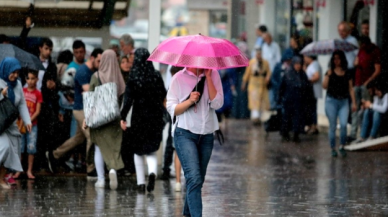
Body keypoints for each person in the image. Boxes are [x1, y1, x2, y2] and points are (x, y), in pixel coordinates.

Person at [167, 65, 223, 217]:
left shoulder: (214, 75)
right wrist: (190, 101)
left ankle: (187, 212)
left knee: (198, 179)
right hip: (184, 133)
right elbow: (172, 109)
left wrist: (209, 78)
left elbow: (217, 104)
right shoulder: (178, 77)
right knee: (194, 177)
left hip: (206, 135)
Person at [46, 48, 103, 177]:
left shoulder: (93, 71)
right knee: (92, 137)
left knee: (78, 138)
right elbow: (88, 92)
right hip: (81, 110)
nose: (101, 64)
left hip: (86, 109)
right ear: (92, 58)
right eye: (99, 61)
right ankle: (90, 168)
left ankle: (55, 154)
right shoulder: (83, 71)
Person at [120, 48, 166, 193]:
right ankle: (152, 173)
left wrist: (122, 117)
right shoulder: (156, 75)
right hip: (155, 118)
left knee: (138, 151)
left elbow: (127, 100)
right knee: (151, 150)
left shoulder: (134, 77)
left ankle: (140, 183)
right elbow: (163, 94)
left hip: (139, 118)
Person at [86, 50, 125, 190]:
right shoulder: (118, 77)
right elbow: (123, 97)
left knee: (98, 147)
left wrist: (88, 117)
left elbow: (90, 98)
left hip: (99, 117)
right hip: (114, 118)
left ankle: (101, 179)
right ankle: (113, 170)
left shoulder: (96, 76)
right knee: (114, 148)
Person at [0, 57, 32, 189]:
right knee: (4, 148)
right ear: (5, 70)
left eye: (17, 72)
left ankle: (1, 179)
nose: (15, 75)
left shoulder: (18, 84)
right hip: (0, 124)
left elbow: (22, 104)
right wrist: (1, 95)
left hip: (10, 123)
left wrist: (27, 120)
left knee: (11, 152)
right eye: (12, 72)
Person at [323, 50, 357, 157]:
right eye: (334, 58)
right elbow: (324, 86)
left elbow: (351, 89)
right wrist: (328, 76)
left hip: (343, 101)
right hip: (331, 101)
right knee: (332, 125)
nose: (336, 61)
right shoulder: (330, 72)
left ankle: (342, 145)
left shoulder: (347, 73)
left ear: (342, 59)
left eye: (338, 58)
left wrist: (354, 102)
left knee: (343, 124)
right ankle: (333, 148)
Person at [349, 36, 381, 142]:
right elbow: (355, 62)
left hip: (366, 84)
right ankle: (354, 133)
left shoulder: (374, 51)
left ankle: (365, 134)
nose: (361, 47)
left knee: (365, 109)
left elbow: (377, 70)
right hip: (357, 82)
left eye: (362, 45)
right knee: (355, 108)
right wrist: (356, 63)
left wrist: (369, 82)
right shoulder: (361, 50)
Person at [13, 70, 42, 179]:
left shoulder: (38, 93)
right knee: (20, 148)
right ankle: (18, 170)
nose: (30, 81)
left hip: (32, 125)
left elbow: (38, 111)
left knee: (31, 147)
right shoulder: (22, 91)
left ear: (37, 79)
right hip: (20, 124)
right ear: (25, 79)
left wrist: (28, 121)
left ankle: (29, 170)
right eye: (28, 78)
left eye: (33, 78)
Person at [278, 56, 312, 143]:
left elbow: (307, 86)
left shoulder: (302, 74)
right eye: (296, 64)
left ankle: (296, 134)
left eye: (299, 64)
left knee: (298, 117)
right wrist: (280, 98)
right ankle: (285, 134)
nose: (298, 66)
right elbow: (282, 87)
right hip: (289, 100)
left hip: (299, 100)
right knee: (287, 117)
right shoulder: (288, 73)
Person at [242, 48, 271, 125]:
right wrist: (244, 83)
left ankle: (262, 118)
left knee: (263, 102)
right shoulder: (251, 62)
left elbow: (268, 72)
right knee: (254, 102)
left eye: (260, 54)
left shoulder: (265, 62)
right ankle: (255, 118)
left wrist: (268, 78)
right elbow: (247, 74)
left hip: (263, 85)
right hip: (254, 85)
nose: (259, 55)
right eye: (258, 54)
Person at [304, 55, 322, 134]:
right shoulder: (311, 65)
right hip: (310, 92)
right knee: (310, 108)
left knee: (312, 109)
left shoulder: (314, 64)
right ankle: (311, 125)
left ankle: (314, 126)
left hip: (313, 91)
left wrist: (307, 80)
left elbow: (316, 76)